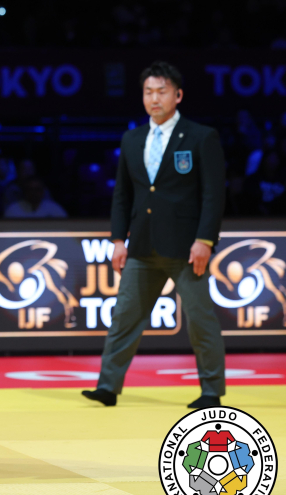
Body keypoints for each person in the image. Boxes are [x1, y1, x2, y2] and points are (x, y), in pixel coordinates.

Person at [82, 61, 226, 409]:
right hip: (143, 245)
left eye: (162, 91)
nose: (154, 98)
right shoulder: (132, 139)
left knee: (200, 320)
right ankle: (108, 387)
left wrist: (205, 240)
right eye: (148, 92)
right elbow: (123, 195)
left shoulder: (200, 136)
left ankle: (211, 391)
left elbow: (213, 194)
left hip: (186, 246)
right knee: (124, 317)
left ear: (178, 95)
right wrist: (119, 240)